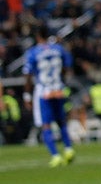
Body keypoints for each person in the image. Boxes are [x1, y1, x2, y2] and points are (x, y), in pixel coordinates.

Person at [22, 29, 76, 167]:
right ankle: (69, 149)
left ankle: (55, 155)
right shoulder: (58, 49)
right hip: (58, 89)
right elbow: (67, 66)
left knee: (46, 124)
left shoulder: (33, 52)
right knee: (61, 121)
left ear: (37, 36)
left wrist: (27, 95)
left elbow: (27, 74)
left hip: (44, 91)